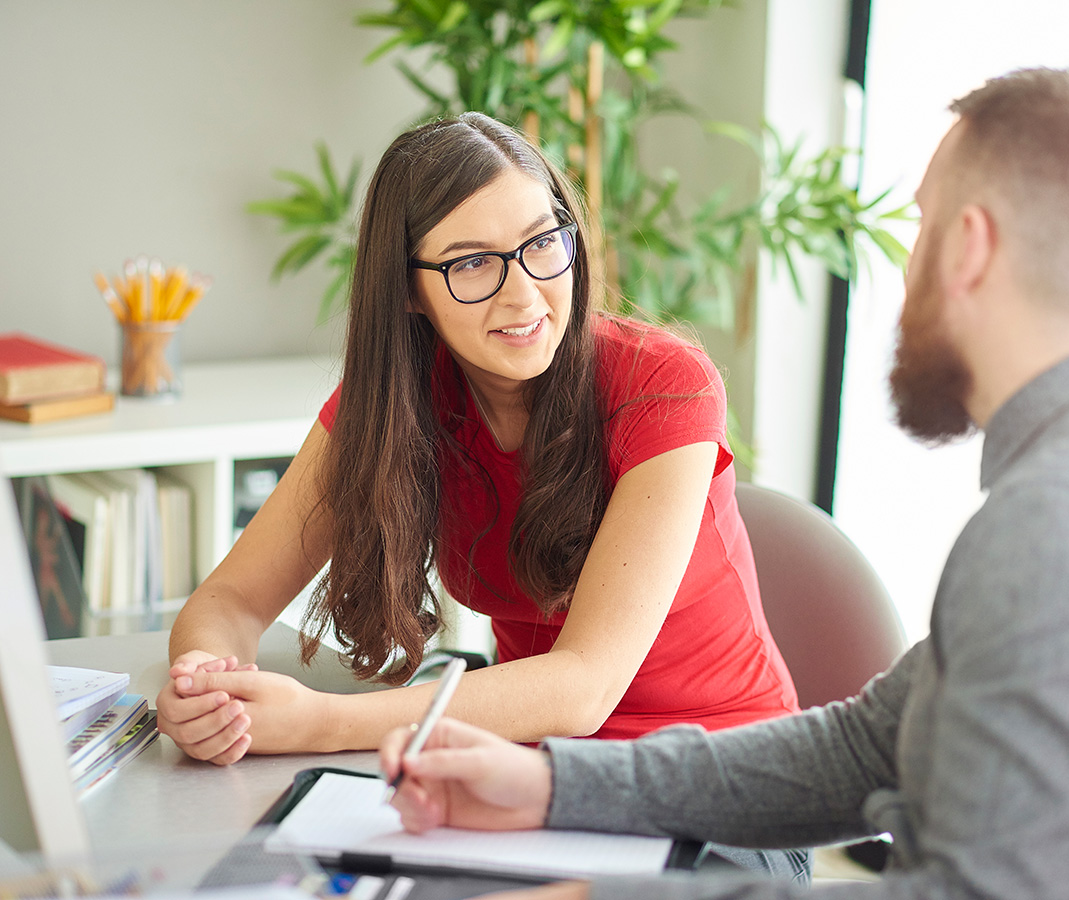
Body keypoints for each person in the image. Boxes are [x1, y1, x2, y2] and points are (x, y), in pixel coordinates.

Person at [381, 67, 1069, 899]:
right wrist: (556, 787)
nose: (905, 264)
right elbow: (872, 744)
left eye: (922, 224)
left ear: (971, 247)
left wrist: (615, 896)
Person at [154, 114, 799, 771]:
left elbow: (584, 687)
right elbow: (229, 601)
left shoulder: (662, 386)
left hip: (728, 778)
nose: (524, 295)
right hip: (533, 771)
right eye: (471, 263)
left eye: (542, 243)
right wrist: (206, 689)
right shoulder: (394, 408)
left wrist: (322, 722)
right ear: (408, 289)